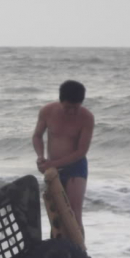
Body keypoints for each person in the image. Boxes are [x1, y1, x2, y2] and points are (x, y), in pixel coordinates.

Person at [32, 80, 95, 234]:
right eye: (68, 108)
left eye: (75, 108)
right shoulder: (47, 111)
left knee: (73, 214)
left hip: (76, 168)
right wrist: (41, 157)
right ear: (61, 101)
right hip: (53, 169)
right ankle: (60, 255)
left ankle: (80, 255)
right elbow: (37, 136)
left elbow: (81, 151)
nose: (72, 112)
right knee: (57, 217)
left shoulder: (87, 118)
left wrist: (53, 163)